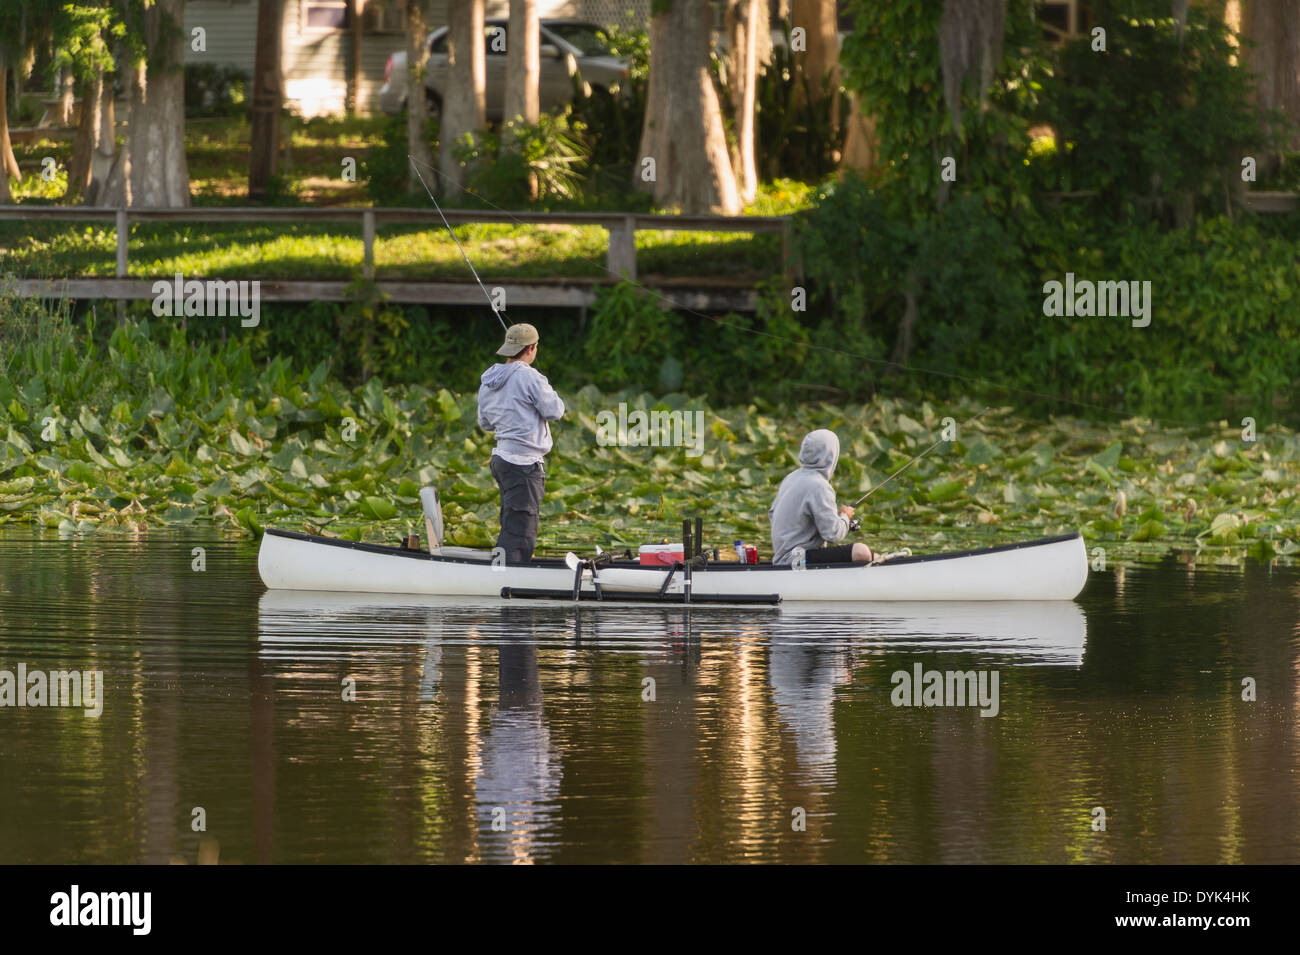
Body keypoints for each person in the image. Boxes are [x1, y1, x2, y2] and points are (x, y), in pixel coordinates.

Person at [477, 323, 565, 563]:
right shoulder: (529, 376)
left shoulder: (488, 379)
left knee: (511, 521)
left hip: (502, 459)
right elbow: (555, 411)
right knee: (521, 532)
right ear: (532, 348)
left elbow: (485, 423)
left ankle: (501, 569)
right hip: (523, 464)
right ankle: (508, 578)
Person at [769, 429, 876, 566]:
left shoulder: (791, 478)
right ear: (831, 455)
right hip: (796, 560)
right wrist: (845, 516)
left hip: (782, 558)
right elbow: (833, 535)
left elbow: (773, 514)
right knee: (861, 551)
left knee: (873, 556)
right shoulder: (819, 486)